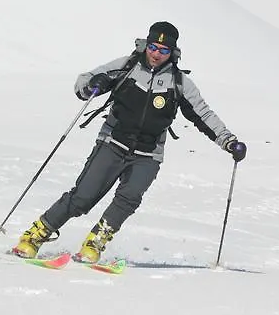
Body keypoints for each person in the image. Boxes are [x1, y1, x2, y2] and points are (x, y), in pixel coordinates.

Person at [12, 21, 247, 262]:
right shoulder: (127, 66)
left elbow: (203, 114)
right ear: (147, 45)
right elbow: (84, 81)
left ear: (173, 52)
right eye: (154, 47)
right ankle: (35, 235)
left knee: (128, 199)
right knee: (83, 197)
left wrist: (228, 142)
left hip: (149, 154)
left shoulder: (179, 83)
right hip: (112, 142)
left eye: (164, 50)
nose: (157, 54)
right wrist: (95, 83)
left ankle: (95, 243)